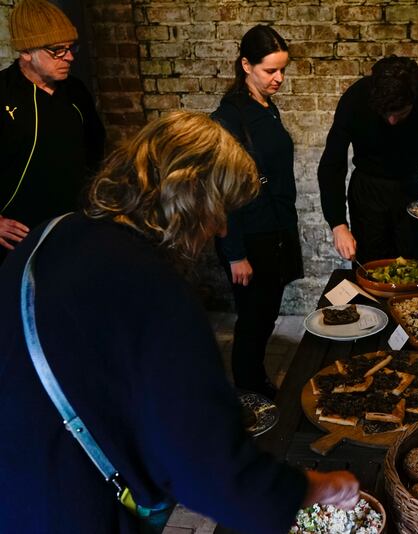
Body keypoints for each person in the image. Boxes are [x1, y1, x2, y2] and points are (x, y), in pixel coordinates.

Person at [0, 111, 359, 534]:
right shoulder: (153, 289)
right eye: (220, 209)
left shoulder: (52, 233)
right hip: (67, 506)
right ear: (191, 198)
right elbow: (211, 474)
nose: (223, 227)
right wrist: (319, 487)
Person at [210, 25, 303, 398]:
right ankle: (248, 388)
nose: (279, 78)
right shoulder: (229, 117)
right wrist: (235, 254)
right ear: (246, 65)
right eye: (270, 71)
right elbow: (220, 191)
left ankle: (255, 378)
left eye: (283, 70)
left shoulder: (267, 105)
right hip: (249, 235)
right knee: (253, 319)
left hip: (276, 227)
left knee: (266, 314)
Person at [318, 55, 418, 263]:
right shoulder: (355, 98)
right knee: (370, 266)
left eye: (401, 113)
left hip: (412, 187)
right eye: (385, 114)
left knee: (414, 263)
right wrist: (338, 224)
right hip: (368, 189)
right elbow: (332, 164)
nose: (392, 121)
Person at [0, 0, 105, 264]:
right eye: (57, 50)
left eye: (71, 48)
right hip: (16, 240)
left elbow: (96, 153)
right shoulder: (3, 92)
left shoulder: (76, 92)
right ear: (26, 51)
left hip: (72, 229)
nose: (69, 57)